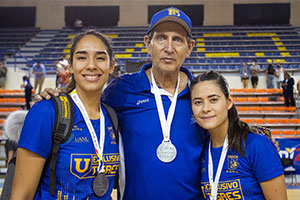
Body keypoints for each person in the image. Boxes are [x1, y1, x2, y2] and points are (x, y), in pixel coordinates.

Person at [37, 7, 206, 200]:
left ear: (190, 47)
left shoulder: (201, 94)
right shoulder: (121, 89)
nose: (169, 47)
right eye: (161, 38)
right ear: (148, 43)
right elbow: (85, 106)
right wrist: (59, 96)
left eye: (177, 39)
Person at [11, 30, 119, 199]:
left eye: (100, 58)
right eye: (82, 57)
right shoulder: (47, 111)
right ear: (70, 66)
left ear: (111, 66)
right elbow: (21, 195)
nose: (91, 65)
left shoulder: (112, 117)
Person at [190, 71, 287, 200]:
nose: (205, 108)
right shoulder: (199, 149)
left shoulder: (257, 144)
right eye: (198, 102)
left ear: (229, 102)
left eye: (213, 100)